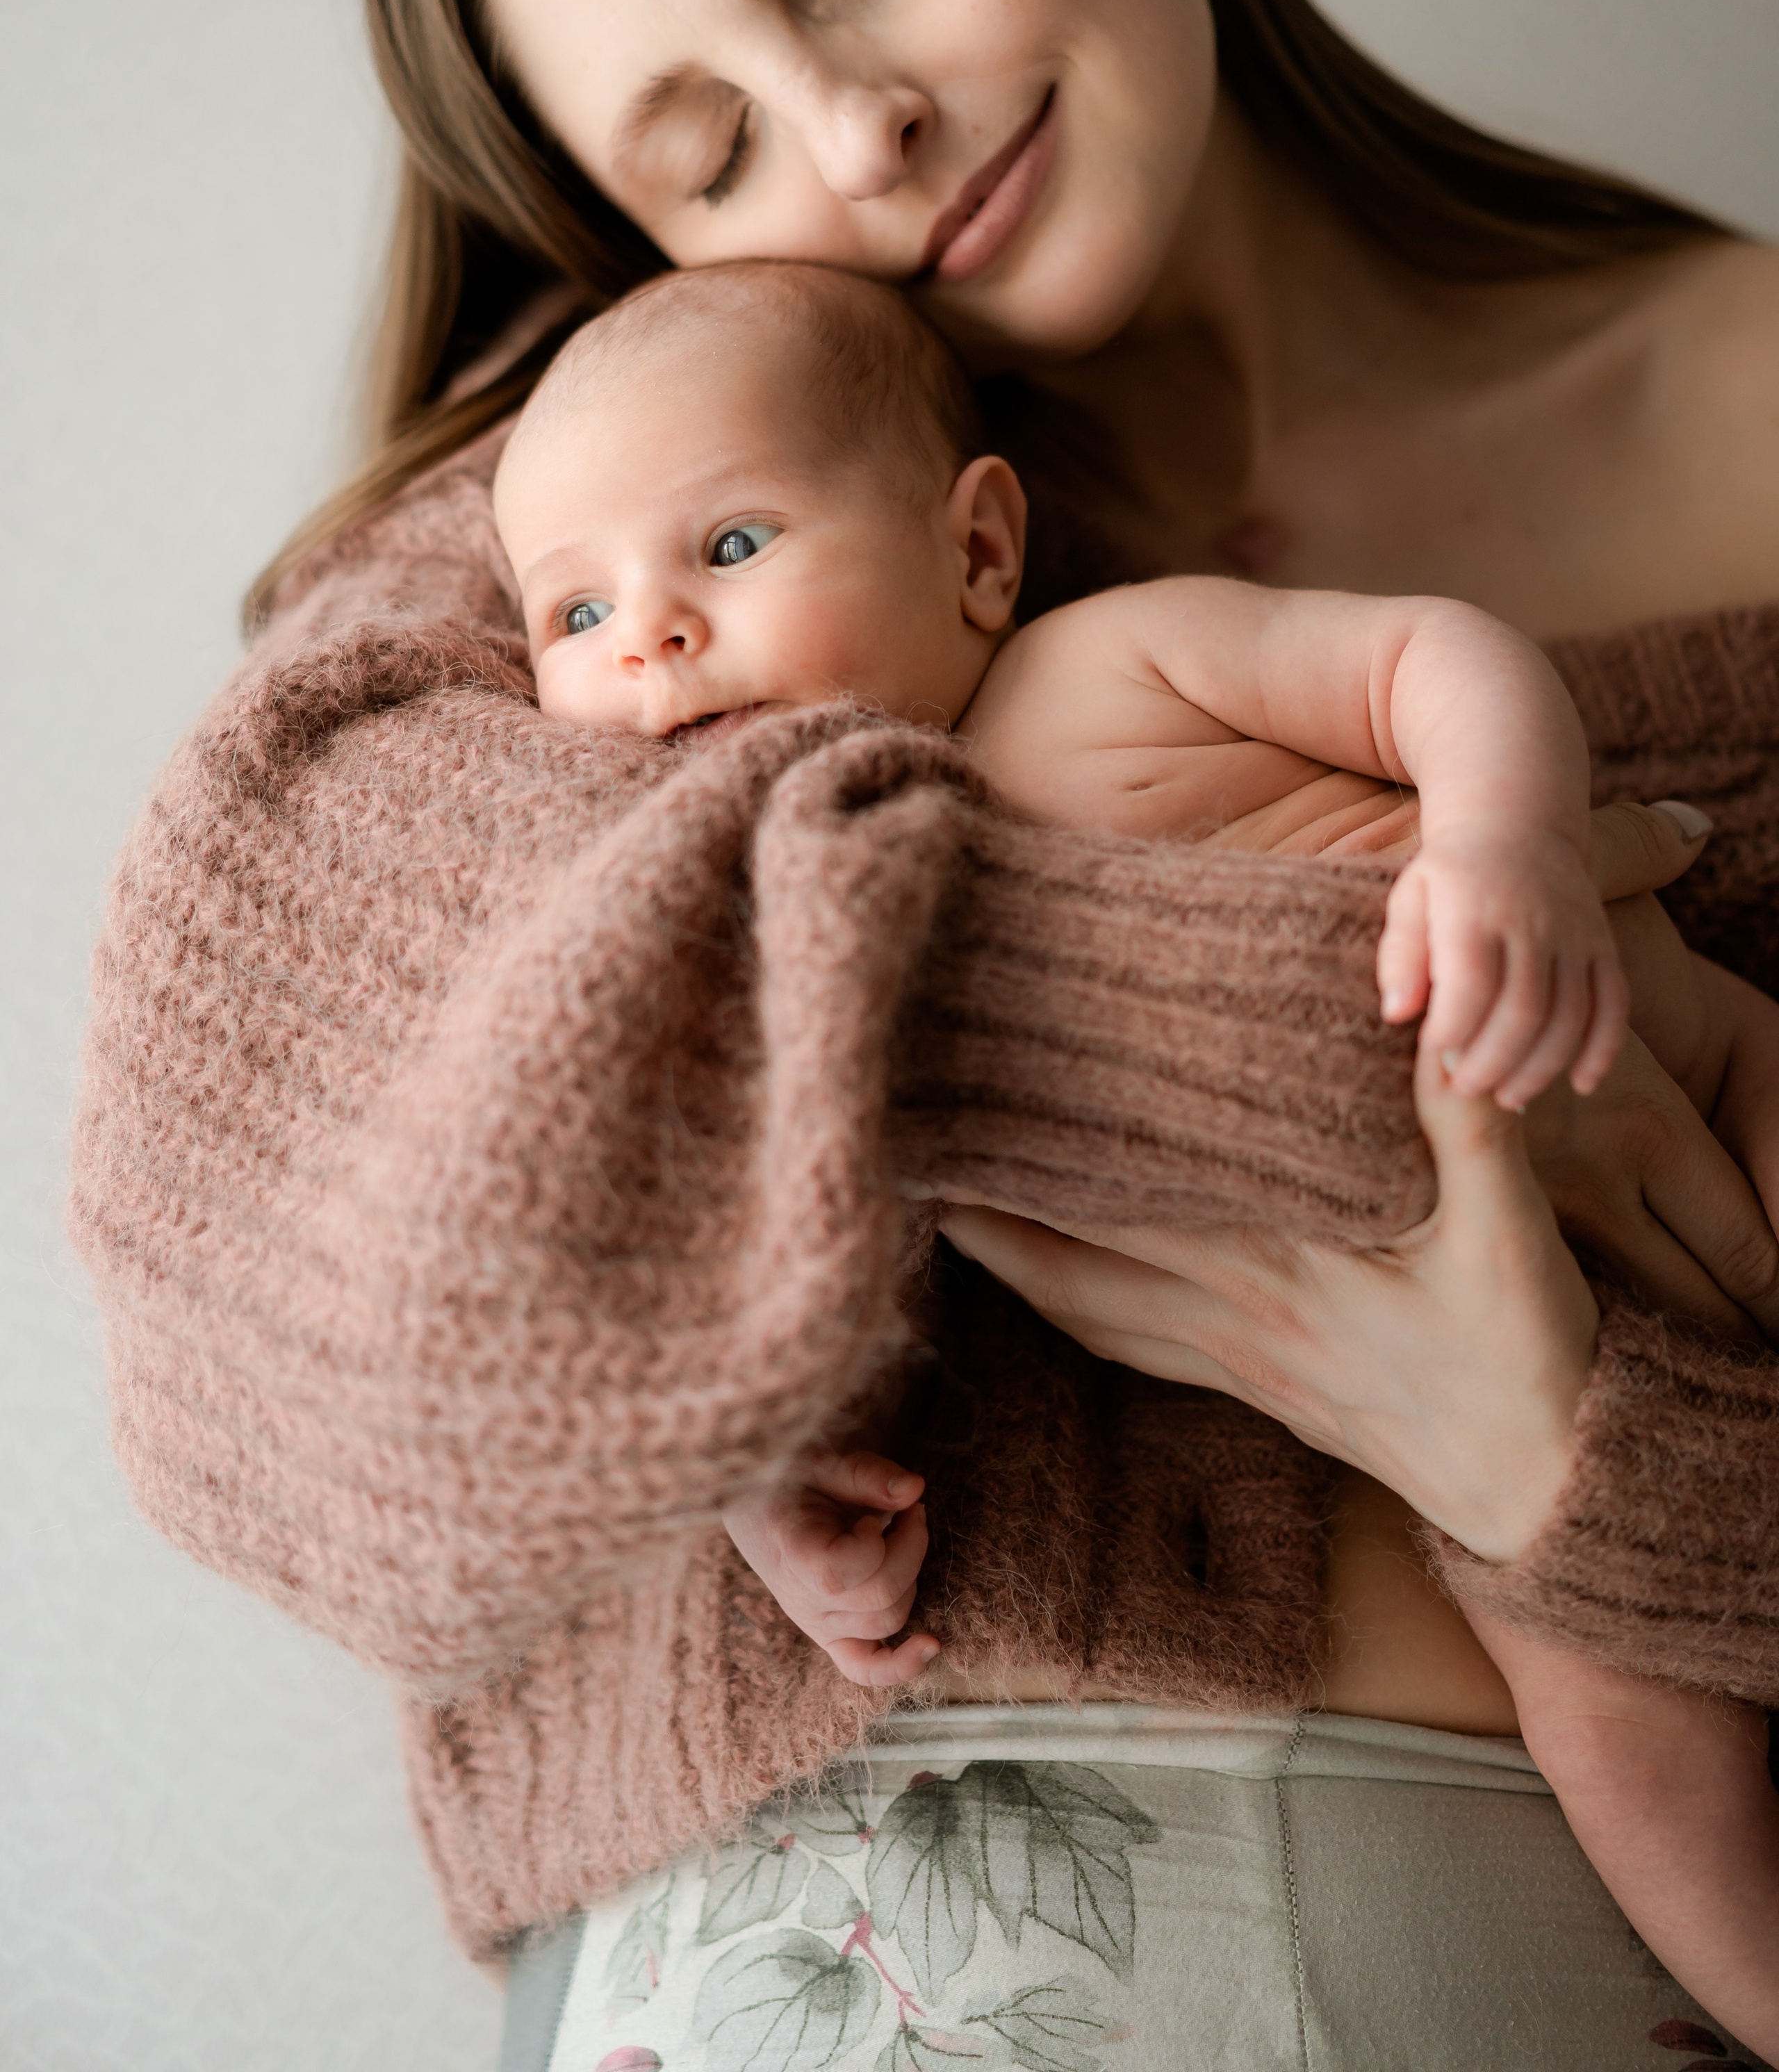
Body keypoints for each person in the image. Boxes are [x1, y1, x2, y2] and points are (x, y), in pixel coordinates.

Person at [69, 0, 1779, 2069]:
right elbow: (282, 1288)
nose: (858, 128)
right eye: (706, 142)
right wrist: (1294, 1007)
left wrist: (1563, 1456)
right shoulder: (612, 529)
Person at [493, 252, 1779, 2050]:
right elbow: (739, 1264)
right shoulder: (794, 953)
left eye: (727, 550)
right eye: (570, 618)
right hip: (1513, 1412)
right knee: (1634, 1748)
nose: (649, 641)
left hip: (1694, 1082)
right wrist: (761, 1493)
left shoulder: (1110, 664)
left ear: (978, 553)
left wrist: (1508, 850)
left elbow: (1429, 655)